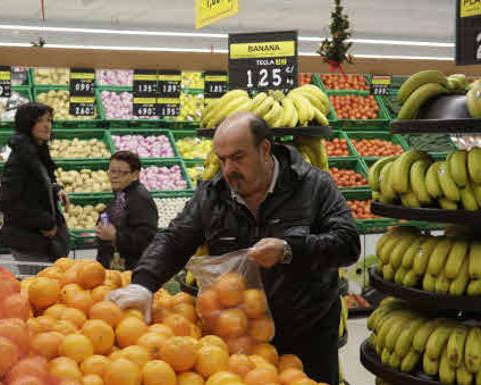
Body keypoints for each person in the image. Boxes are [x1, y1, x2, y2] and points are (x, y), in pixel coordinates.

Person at [108, 112, 360, 385]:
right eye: (222, 159)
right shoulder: (213, 194)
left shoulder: (313, 185)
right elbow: (175, 238)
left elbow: (347, 243)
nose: (228, 169)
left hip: (307, 337)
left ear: (264, 149)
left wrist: (290, 249)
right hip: (241, 337)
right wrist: (144, 283)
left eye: (238, 157)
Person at [0, 102, 70, 265]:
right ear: (27, 124)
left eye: (49, 120)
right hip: (29, 241)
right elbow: (7, 200)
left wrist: (56, 190)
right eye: (40, 121)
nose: (47, 126)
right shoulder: (20, 159)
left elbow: (41, 181)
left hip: (39, 240)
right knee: (38, 287)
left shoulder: (38, 150)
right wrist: (44, 222)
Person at [96, 151, 159, 270]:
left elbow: (147, 239)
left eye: (121, 172)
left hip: (130, 271)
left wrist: (116, 236)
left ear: (135, 175)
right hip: (115, 269)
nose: (114, 176)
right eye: (112, 171)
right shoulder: (122, 193)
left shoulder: (140, 199)